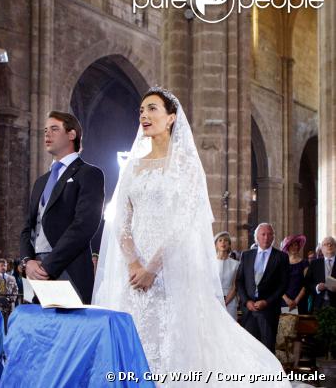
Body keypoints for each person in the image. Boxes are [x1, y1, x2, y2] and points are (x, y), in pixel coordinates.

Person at [92, 87, 291, 387]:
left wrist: (152, 268)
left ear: (171, 118)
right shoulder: (133, 166)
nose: (144, 115)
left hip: (170, 268)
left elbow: (184, 222)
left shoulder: (185, 165)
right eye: (141, 110)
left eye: (152, 109)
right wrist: (134, 264)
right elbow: (121, 220)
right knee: (133, 337)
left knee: (172, 340)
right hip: (133, 272)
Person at [20, 111, 105, 304]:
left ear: (72, 134)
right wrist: (27, 262)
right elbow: (28, 227)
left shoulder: (89, 174)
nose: (47, 134)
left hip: (69, 267)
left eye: (54, 129)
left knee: (70, 330)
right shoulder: (40, 182)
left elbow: (84, 225)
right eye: (45, 130)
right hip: (36, 271)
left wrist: (48, 266)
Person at [237, 223, 290, 353]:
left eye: (269, 234)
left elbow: (283, 284)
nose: (266, 237)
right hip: (249, 310)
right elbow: (239, 281)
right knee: (249, 349)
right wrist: (246, 301)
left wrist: (267, 301)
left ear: (273, 237)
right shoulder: (247, 255)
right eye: (263, 234)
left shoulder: (281, 257)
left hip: (269, 310)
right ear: (257, 237)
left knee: (267, 349)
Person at [305, 236, 336, 311]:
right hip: (318, 304)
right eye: (326, 244)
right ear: (321, 249)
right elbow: (307, 283)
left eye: (332, 244)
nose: (329, 245)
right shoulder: (315, 263)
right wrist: (317, 287)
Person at [280, 234, 309, 314]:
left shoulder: (304, 263)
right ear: (287, 247)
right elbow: (278, 284)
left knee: (301, 325)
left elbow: (306, 284)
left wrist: (296, 300)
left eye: (295, 245)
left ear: (298, 246)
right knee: (287, 325)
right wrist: (287, 300)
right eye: (291, 245)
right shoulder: (282, 263)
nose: (294, 247)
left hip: (300, 300)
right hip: (285, 301)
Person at [214, 231, 239, 319]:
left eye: (225, 241)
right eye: (220, 240)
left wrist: (225, 302)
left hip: (230, 302)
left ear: (229, 244)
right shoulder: (210, 264)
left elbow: (234, 286)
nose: (223, 243)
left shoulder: (236, 264)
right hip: (213, 301)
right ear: (216, 244)